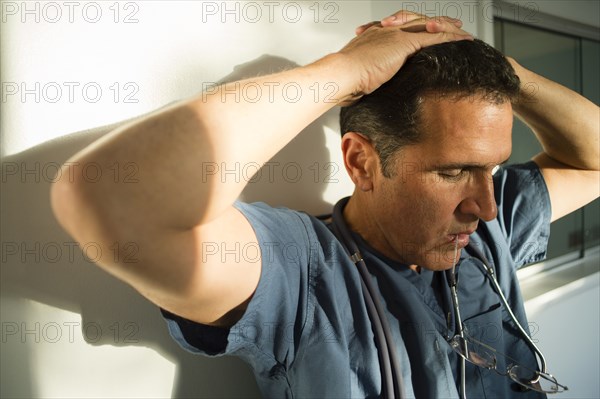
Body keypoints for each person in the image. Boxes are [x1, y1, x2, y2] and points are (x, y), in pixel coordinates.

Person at [50, 10, 599, 398]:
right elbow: (107, 198)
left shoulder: (482, 228)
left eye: (493, 168)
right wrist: (344, 71)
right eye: (451, 171)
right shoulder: (299, 270)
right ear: (361, 163)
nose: (487, 206)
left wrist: (497, 70)